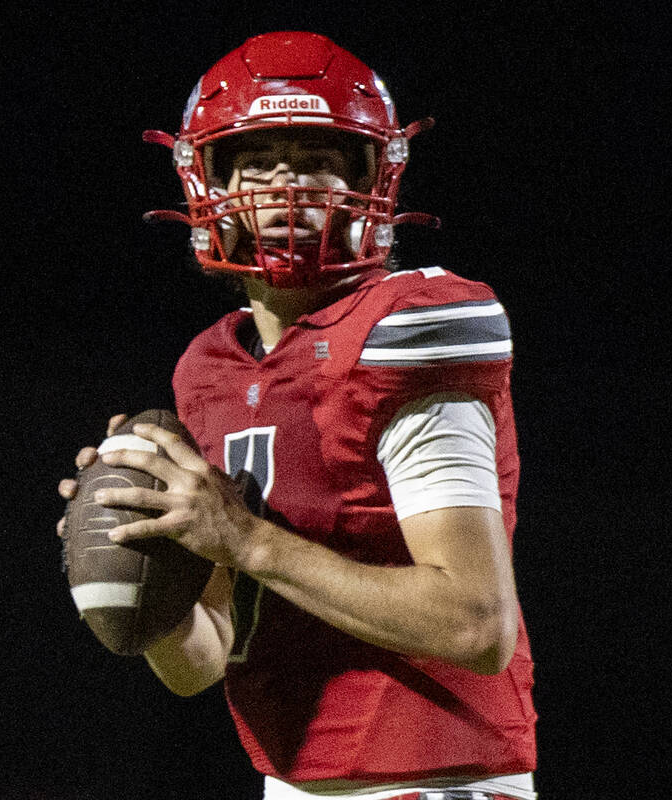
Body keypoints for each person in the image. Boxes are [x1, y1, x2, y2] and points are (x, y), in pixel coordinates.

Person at [58, 31, 537, 800]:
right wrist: (135, 570)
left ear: (372, 176)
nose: (287, 185)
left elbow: (474, 625)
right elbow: (205, 658)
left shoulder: (407, 328)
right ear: (207, 182)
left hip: (438, 779)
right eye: (255, 160)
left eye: (318, 158)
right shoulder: (208, 369)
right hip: (291, 784)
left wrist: (242, 537)